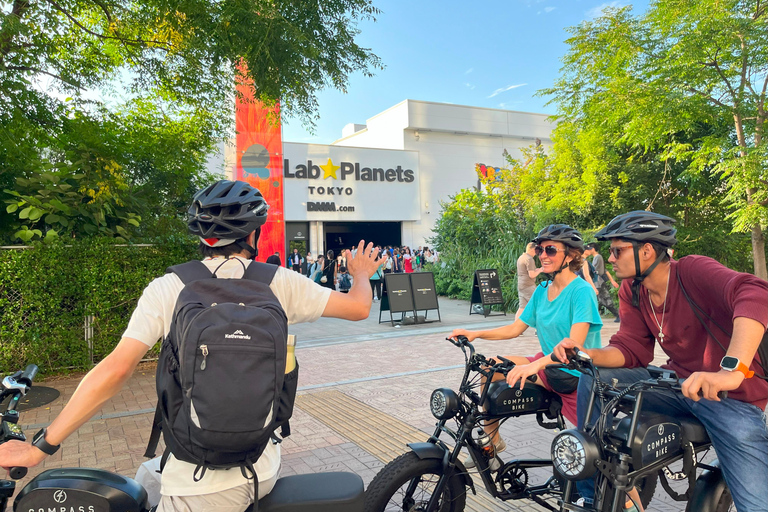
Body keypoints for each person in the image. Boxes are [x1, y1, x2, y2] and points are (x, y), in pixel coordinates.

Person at [0, 180, 382, 512]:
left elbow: (116, 370)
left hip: (204, 486)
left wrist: (41, 447)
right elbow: (359, 307)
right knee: (146, 479)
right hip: (259, 461)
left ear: (202, 238)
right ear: (253, 236)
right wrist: (361, 274)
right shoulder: (280, 282)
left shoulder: (169, 288)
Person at [551, 211, 768, 512]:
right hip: (677, 386)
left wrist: (730, 371)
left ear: (647, 250)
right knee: (594, 377)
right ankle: (593, 497)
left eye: (617, 250)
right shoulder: (633, 290)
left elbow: (755, 293)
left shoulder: (691, 271)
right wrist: (585, 354)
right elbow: (630, 349)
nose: (610, 259)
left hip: (731, 399)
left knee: (757, 504)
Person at [451, 224, 603, 467]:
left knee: (596, 452)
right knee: (492, 368)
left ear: (572, 255)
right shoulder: (543, 290)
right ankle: (491, 442)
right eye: (541, 249)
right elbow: (515, 328)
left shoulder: (582, 291)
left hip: (576, 375)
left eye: (551, 250)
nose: (543, 255)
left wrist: (535, 367)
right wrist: (475, 333)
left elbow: (573, 348)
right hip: (546, 365)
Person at [584, 242, 620, 322]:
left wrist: (611, 280)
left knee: (605, 299)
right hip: (597, 281)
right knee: (601, 300)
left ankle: (618, 315)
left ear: (593, 249)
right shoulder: (596, 257)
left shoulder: (598, 257)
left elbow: (598, 271)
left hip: (598, 282)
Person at [516, 242, 544, 320]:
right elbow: (531, 275)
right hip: (528, 285)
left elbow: (526, 271)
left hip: (521, 284)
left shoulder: (521, 257)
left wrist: (536, 270)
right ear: (532, 249)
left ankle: (515, 327)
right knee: (537, 304)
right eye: (536, 250)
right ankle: (537, 327)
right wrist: (540, 270)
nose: (537, 252)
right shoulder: (529, 259)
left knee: (522, 307)